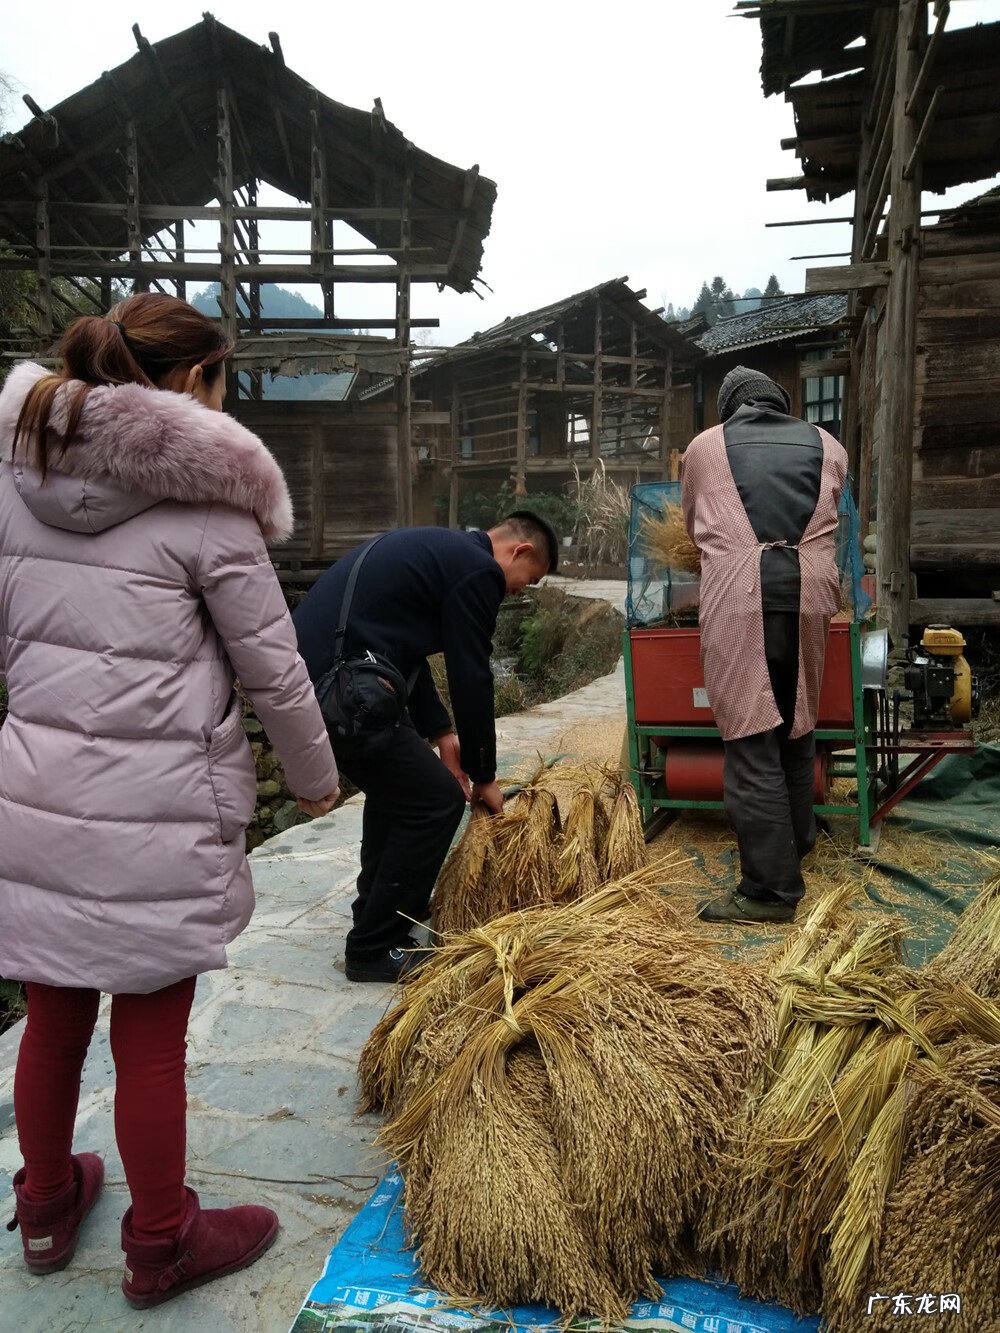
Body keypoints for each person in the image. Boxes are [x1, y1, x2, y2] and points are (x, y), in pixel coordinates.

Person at [0, 294, 340, 1308]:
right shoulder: (208, 501)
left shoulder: (13, 478)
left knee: (52, 1014)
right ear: (195, 382)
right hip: (156, 803)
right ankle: (163, 1241)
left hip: (35, 792)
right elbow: (272, 670)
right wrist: (317, 779)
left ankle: (49, 1205)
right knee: (149, 1034)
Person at [293, 512, 557, 983]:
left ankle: (378, 914)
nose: (520, 589)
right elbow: (471, 675)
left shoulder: (442, 552)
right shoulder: (479, 570)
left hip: (317, 685)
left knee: (400, 793)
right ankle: (375, 947)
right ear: (520, 551)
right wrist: (485, 776)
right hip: (343, 692)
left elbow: (403, 648)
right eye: (529, 579)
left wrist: (442, 734)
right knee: (435, 801)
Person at [681, 365, 847, 925]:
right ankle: (797, 840)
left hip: (739, 597)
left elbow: (693, 523)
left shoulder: (706, 447)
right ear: (780, 403)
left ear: (731, 408)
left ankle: (768, 892)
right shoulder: (828, 443)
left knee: (752, 736)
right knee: (797, 726)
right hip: (812, 594)